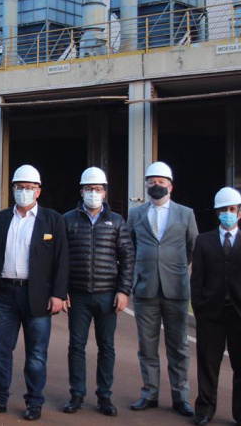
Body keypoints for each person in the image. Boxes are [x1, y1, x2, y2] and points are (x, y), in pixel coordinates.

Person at [0, 165, 68, 422]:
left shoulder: (52, 220)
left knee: (37, 353)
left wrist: (58, 294)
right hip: (6, 293)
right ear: (12, 189)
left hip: (37, 295)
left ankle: (34, 402)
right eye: (19, 187)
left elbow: (62, 261)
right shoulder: (2, 218)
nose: (24, 192)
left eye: (29, 188)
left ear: (38, 191)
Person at [62, 167, 134, 417]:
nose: (94, 193)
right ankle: (76, 394)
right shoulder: (68, 219)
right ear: (81, 191)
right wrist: (62, 290)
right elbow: (60, 259)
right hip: (78, 295)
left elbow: (127, 257)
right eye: (89, 189)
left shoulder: (116, 221)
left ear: (105, 192)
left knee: (107, 347)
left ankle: (104, 396)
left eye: (98, 189)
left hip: (107, 295)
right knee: (76, 346)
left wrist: (123, 291)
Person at [127, 161, 197, 417]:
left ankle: (181, 397)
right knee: (147, 347)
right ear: (146, 184)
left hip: (176, 290)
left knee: (179, 346)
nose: (156, 186)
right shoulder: (135, 214)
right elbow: (129, 248)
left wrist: (175, 269)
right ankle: (149, 393)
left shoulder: (186, 214)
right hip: (145, 290)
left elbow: (192, 248)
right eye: (151, 181)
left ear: (171, 185)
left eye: (161, 181)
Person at [191, 187, 241, 426]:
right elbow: (196, 278)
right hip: (211, 313)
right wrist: (198, 307)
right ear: (217, 212)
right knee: (208, 363)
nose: (228, 213)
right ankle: (205, 410)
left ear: (240, 213)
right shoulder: (203, 241)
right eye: (224, 210)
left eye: (232, 209)